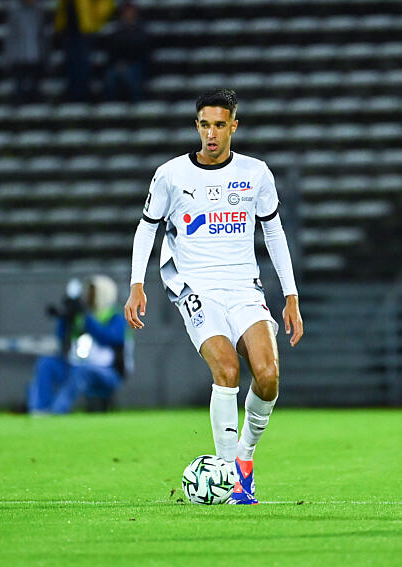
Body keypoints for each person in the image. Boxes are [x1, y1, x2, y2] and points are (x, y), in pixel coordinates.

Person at [124, 89, 304, 505]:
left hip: (244, 287)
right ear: (197, 126)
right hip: (196, 287)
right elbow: (146, 227)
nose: (211, 133)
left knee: (269, 375)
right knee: (226, 369)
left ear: (233, 127)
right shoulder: (170, 175)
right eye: (204, 124)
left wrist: (291, 294)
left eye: (219, 125)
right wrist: (137, 283)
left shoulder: (255, 173)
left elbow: (273, 232)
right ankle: (229, 478)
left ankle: (243, 460)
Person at [28, 275, 130, 414]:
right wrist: (66, 316)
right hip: (77, 366)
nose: (88, 296)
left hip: (108, 372)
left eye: (93, 293)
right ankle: (39, 410)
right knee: (46, 364)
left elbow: (109, 338)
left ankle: (56, 411)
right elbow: (61, 338)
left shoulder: (116, 316)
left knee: (83, 370)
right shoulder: (81, 315)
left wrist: (86, 317)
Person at [54, 0, 115, 101]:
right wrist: (59, 23)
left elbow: (105, 3)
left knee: (83, 62)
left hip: (84, 27)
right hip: (68, 27)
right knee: (71, 62)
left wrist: (95, 17)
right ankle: (73, 93)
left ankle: (83, 94)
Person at [103, 1, 150, 102]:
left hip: (136, 64)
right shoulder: (117, 31)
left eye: (130, 11)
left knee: (130, 75)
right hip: (118, 64)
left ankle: (137, 101)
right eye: (125, 12)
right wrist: (118, 63)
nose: (127, 14)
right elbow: (112, 50)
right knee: (110, 76)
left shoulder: (141, 30)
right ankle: (111, 104)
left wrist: (127, 63)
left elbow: (143, 50)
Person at [3, 0, 46, 103]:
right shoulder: (15, 13)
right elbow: (11, 36)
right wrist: (8, 56)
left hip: (35, 54)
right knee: (19, 87)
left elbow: (42, 36)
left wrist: (44, 54)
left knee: (35, 86)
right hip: (19, 55)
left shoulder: (38, 13)